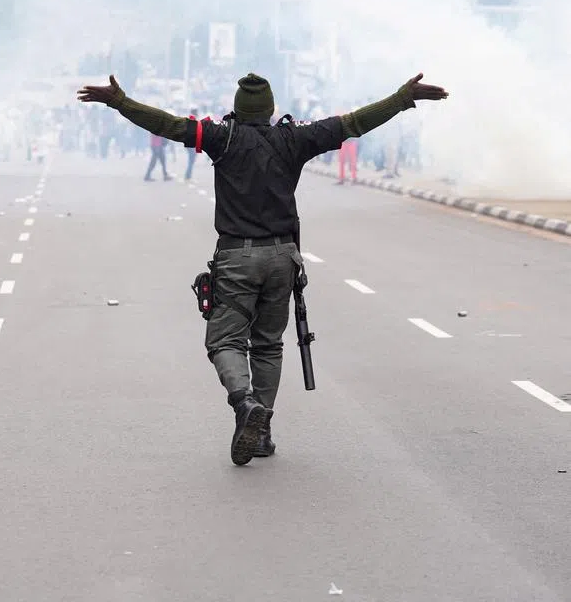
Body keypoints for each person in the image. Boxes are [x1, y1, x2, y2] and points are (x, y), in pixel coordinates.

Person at [77, 71, 448, 465]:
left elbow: (167, 125)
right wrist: (402, 97)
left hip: (237, 257)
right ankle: (262, 432)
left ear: (236, 110)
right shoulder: (295, 139)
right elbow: (354, 122)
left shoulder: (223, 138)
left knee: (224, 342)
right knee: (268, 344)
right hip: (283, 258)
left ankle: (245, 404)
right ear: (271, 110)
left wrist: (120, 101)